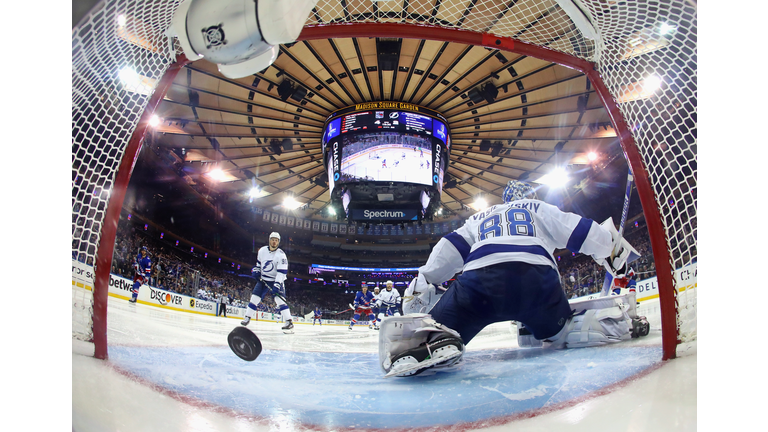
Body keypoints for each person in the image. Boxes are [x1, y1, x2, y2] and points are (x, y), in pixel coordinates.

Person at [378, 180, 644, 377]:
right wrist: (610, 248)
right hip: (535, 282)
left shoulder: (479, 218)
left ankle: (431, 341)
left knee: (443, 331)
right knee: (561, 334)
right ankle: (615, 324)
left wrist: (425, 279)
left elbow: (447, 251)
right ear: (530, 194)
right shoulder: (538, 207)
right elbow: (581, 231)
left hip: (478, 285)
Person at [241, 232, 294, 331]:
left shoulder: (281, 255)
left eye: (276, 240)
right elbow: (258, 264)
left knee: (279, 300)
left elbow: (282, 273)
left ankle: (289, 321)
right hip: (264, 279)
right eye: (273, 239)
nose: (274, 242)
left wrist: (277, 285)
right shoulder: (262, 251)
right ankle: (247, 317)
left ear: (278, 242)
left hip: (276, 280)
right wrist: (256, 271)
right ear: (269, 240)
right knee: (254, 298)